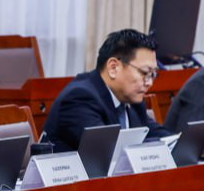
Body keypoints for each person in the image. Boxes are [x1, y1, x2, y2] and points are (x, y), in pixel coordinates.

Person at [41, 29, 172, 152]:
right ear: (113, 68)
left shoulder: (132, 99)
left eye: (153, 74)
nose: (149, 83)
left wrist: (174, 142)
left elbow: (160, 135)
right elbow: (108, 150)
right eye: (144, 72)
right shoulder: (79, 98)